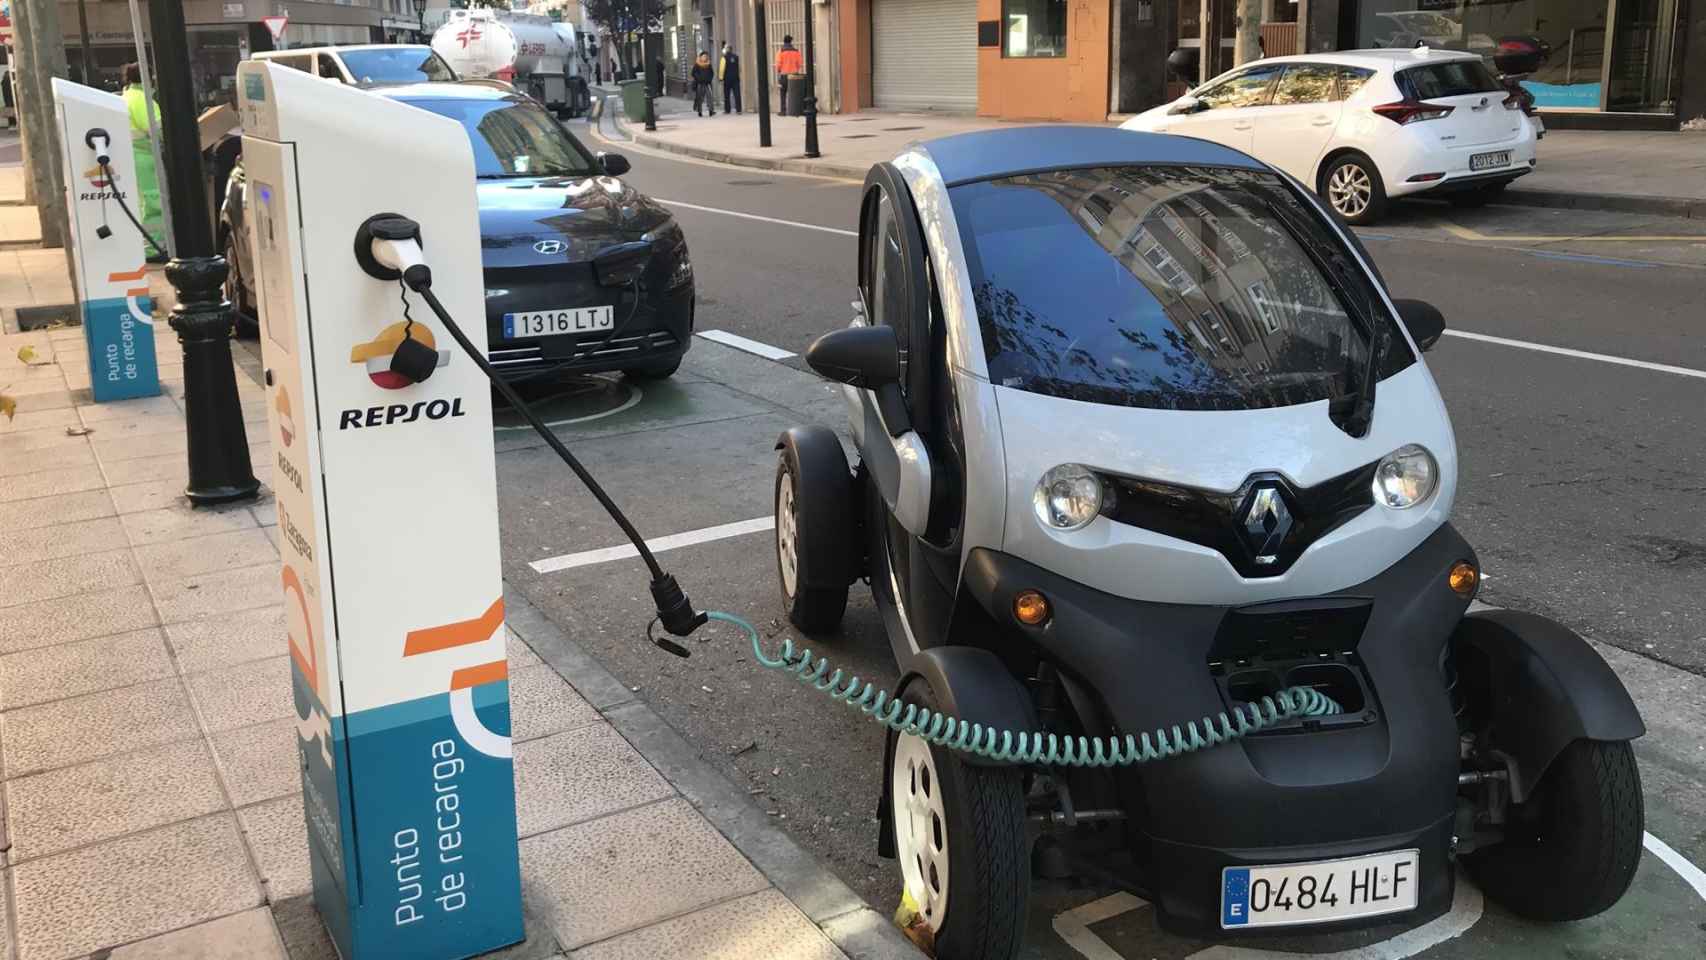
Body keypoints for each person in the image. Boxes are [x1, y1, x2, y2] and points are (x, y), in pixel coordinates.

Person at [120, 63, 166, 260]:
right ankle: (152, 249)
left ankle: (148, 246)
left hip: (134, 157)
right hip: (145, 158)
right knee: (153, 202)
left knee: (142, 203)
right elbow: (157, 129)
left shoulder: (127, 97)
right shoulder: (143, 100)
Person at [775, 35, 802, 115]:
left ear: (784, 41)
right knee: (794, 93)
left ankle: (783, 111)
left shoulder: (781, 51)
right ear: (791, 41)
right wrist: (795, 69)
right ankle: (795, 110)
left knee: (783, 93)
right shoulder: (796, 51)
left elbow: (778, 64)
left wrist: (779, 71)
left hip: (784, 75)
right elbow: (799, 63)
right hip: (794, 75)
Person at [691, 51, 716, 116]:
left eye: (706, 56)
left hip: (707, 83)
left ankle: (711, 110)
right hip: (700, 83)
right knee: (699, 98)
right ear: (701, 57)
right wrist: (698, 78)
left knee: (710, 97)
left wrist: (709, 79)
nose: (705, 57)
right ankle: (699, 111)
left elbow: (712, 73)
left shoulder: (708, 64)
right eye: (704, 56)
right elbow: (693, 73)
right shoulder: (697, 64)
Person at [719, 42, 741, 114]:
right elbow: (739, 67)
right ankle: (738, 110)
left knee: (727, 95)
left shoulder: (724, 58)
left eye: (725, 48)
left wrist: (721, 78)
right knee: (737, 94)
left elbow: (722, 69)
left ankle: (727, 110)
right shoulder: (736, 57)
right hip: (735, 78)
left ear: (727, 49)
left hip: (727, 79)